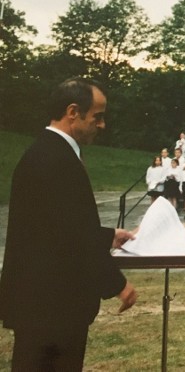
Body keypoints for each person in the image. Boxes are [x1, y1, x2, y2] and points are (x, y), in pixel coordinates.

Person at [0, 77, 137, 371]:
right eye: (97, 117)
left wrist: (109, 236)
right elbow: (73, 236)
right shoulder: (57, 159)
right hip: (52, 305)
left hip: (41, 301)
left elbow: (56, 224)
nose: (102, 125)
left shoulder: (46, 152)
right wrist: (118, 285)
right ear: (73, 111)